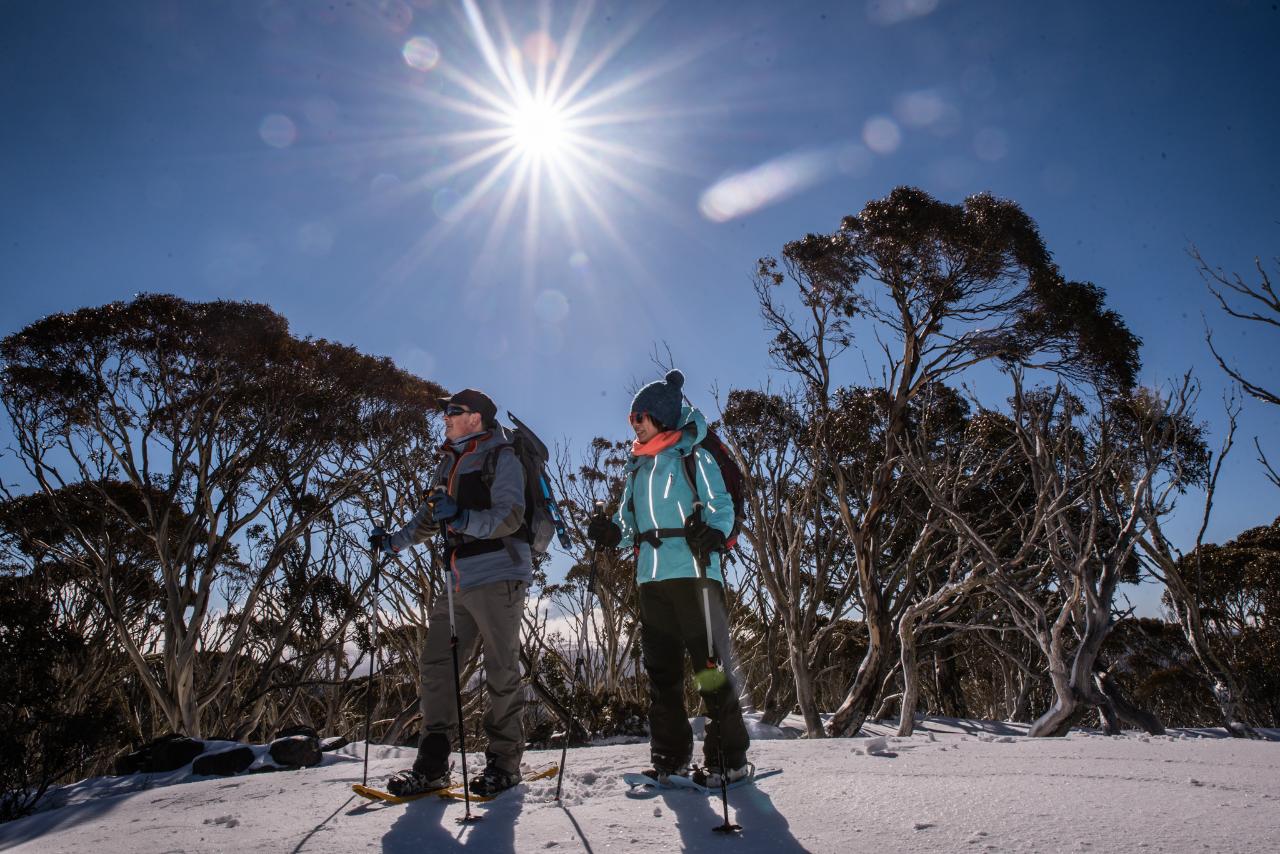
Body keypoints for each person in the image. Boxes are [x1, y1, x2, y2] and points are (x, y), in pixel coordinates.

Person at [587, 369, 751, 788]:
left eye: (640, 416)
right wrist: (611, 534)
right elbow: (628, 523)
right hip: (651, 581)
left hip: (696, 574)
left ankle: (728, 760)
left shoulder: (695, 456)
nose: (635, 423)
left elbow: (722, 506)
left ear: (661, 416)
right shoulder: (637, 469)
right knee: (662, 675)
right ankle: (670, 758)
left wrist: (713, 532)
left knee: (709, 670)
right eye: (631, 418)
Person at [370, 388, 531, 797]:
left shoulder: (502, 456)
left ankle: (504, 764)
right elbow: (429, 518)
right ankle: (433, 763)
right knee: (436, 666)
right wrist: (394, 542)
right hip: (456, 578)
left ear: (474, 417)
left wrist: (461, 516)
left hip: (498, 572)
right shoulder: (449, 461)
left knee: (500, 669)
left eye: (452, 412)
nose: (445, 418)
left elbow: (510, 516)